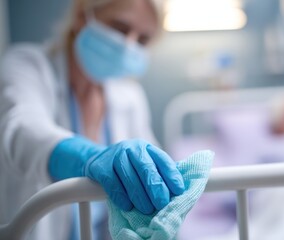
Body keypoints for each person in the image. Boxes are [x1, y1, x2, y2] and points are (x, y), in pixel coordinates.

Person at [0, 0, 185, 239]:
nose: (129, 46)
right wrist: (88, 157)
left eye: (142, 40)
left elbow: (149, 170)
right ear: (81, 16)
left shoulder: (129, 97)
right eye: (120, 27)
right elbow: (22, 131)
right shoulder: (27, 65)